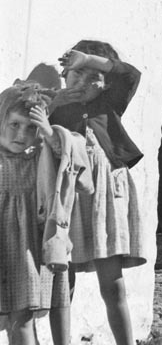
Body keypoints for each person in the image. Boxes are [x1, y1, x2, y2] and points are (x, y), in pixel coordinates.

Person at [48, 42, 144, 345]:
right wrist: (53, 103)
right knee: (62, 282)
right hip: (68, 201)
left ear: (107, 84)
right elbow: (34, 130)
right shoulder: (56, 109)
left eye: (94, 77)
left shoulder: (110, 104)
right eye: (76, 74)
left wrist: (88, 59)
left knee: (112, 284)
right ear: (64, 75)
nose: (82, 83)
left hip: (106, 200)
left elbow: (130, 74)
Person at [0, 82, 71, 345]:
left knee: (22, 320)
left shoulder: (40, 159)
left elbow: (69, 156)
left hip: (26, 252)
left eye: (31, 128)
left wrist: (48, 132)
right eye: (14, 124)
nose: (21, 134)